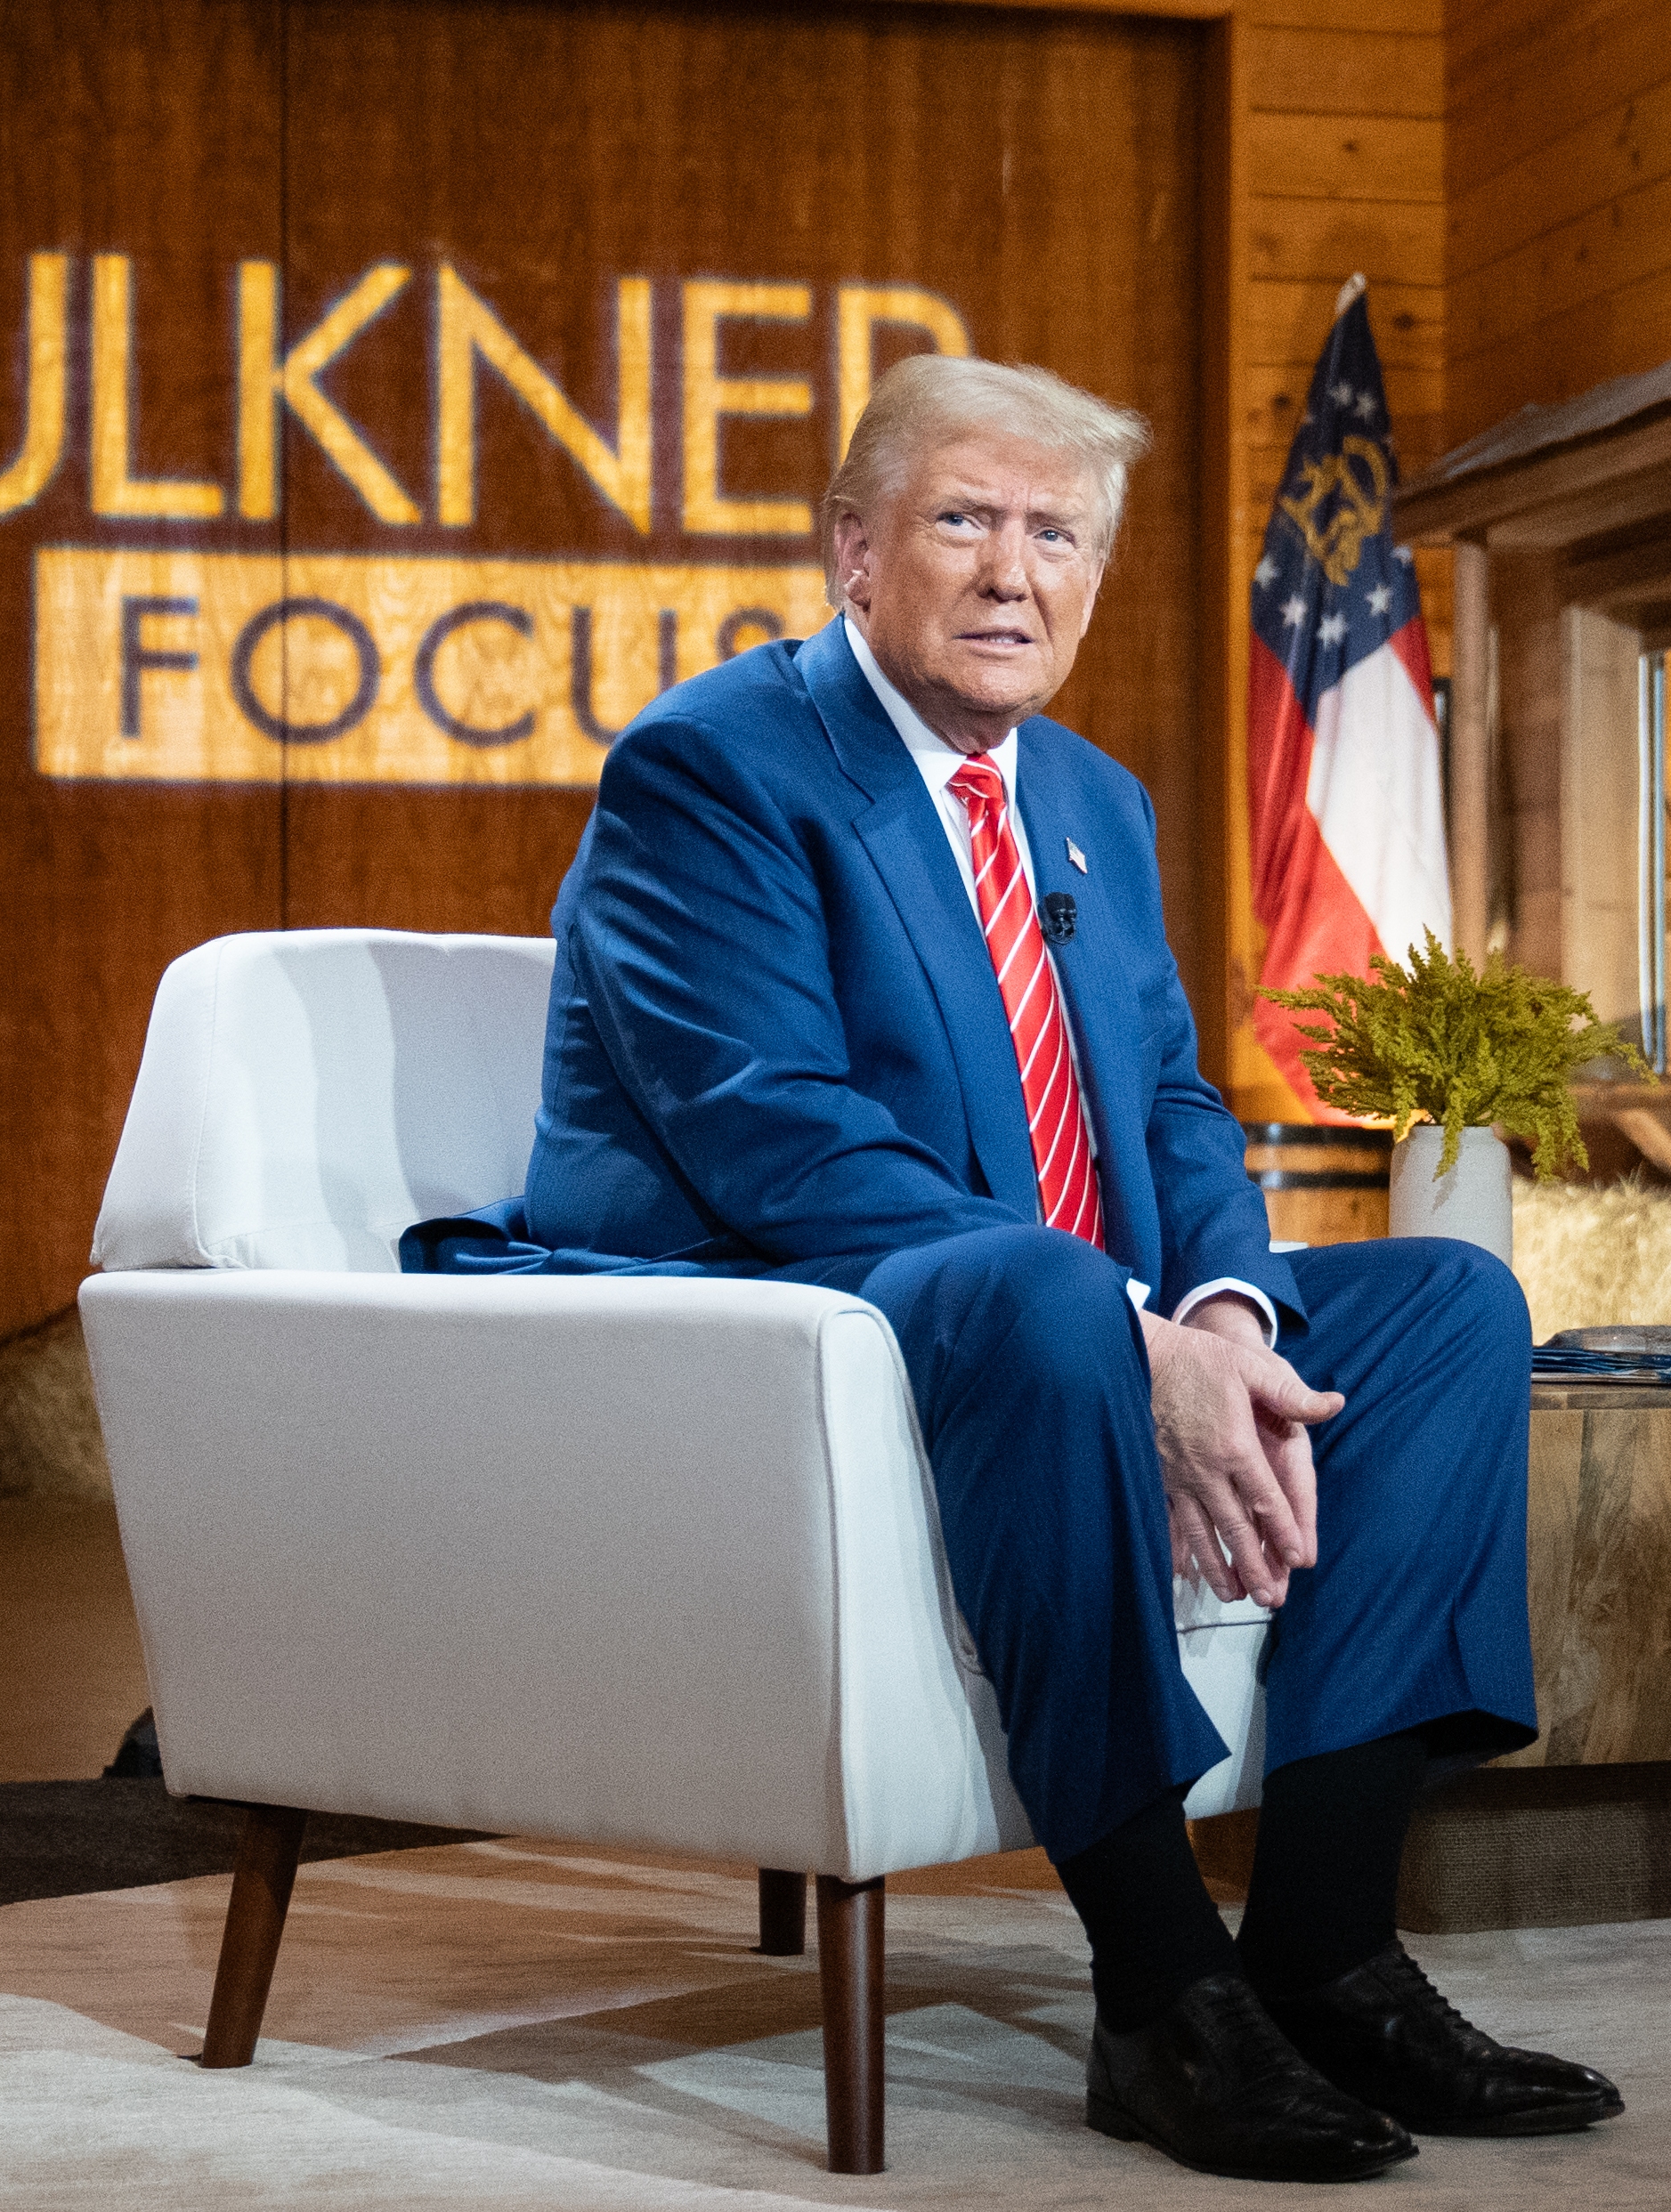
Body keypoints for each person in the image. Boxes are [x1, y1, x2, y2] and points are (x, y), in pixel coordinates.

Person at [410, 354, 1620, 2182]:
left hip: (1058, 1304)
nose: (1011, 572)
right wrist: (1132, 1326)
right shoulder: (709, 769)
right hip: (775, 1305)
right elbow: (772, 1137)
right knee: (1052, 1296)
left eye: (1055, 534)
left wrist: (1217, 1310)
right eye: (962, 519)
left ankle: (1323, 1950)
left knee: (1446, 1306)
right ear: (851, 550)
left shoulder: (1087, 799)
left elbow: (1164, 1095)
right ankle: (1156, 1990)